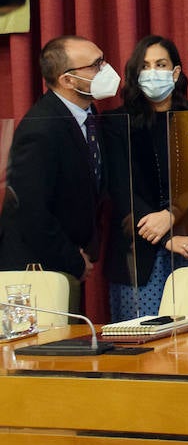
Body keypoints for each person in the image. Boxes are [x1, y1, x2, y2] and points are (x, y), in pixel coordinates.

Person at [0, 36, 129, 308]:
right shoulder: (41, 128)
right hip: (36, 272)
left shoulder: (89, 115)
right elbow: (31, 210)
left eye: (103, 60)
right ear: (68, 80)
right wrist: (71, 259)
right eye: (96, 65)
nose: (106, 70)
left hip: (69, 265)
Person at [106, 35, 188, 320]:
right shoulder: (115, 122)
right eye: (145, 66)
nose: (153, 72)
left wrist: (173, 215)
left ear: (175, 72)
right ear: (135, 75)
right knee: (142, 345)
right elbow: (120, 188)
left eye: (160, 64)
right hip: (139, 246)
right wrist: (162, 237)